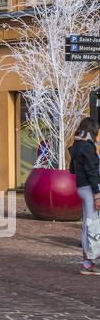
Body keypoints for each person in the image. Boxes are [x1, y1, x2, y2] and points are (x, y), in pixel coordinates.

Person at [69, 117, 100, 275]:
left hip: (81, 187)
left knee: (86, 225)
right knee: (92, 224)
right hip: (89, 189)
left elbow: (72, 170)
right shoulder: (87, 147)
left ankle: (87, 262)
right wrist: (96, 194)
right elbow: (92, 171)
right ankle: (91, 262)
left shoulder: (76, 145)